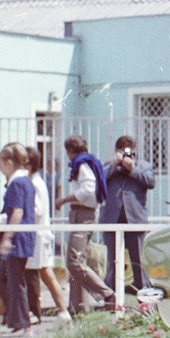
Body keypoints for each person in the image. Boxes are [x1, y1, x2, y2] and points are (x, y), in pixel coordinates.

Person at [58, 133, 114, 313]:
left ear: (70, 150)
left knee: (74, 262)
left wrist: (65, 199)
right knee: (78, 262)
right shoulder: (86, 163)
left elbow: (88, 190)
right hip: (82, 214)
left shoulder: (81, 165)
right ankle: (78, 308)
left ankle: (106, 294)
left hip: (83, 214)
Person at [101, 135, 154, 291]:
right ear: (116, 151)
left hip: (135, 218)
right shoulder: (108, 166)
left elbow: (151, 182)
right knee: (113, 262)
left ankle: (144, 297)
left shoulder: (143, 166)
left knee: (139, 262)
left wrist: (133, 169)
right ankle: (112, 298)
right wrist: (114, 164)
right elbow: (98, 180)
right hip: (112, 218)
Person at [0, 143, 36, 335]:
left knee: (13, 281)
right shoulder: (26, 181)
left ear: (9, 162)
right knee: (6, 279)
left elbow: (17, 212)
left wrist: (7, 237)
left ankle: (24, 322)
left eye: (1, 164)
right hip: (23, 237)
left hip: (17, 240)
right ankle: (20, 320)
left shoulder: (17, 183)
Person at [25, 147, 68, 320]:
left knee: (47, 275)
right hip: (35, 237)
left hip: (37, 237)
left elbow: (38, 210)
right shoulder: (35, 182)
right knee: (30, 275)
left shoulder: (35, 184)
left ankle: (63, 310)